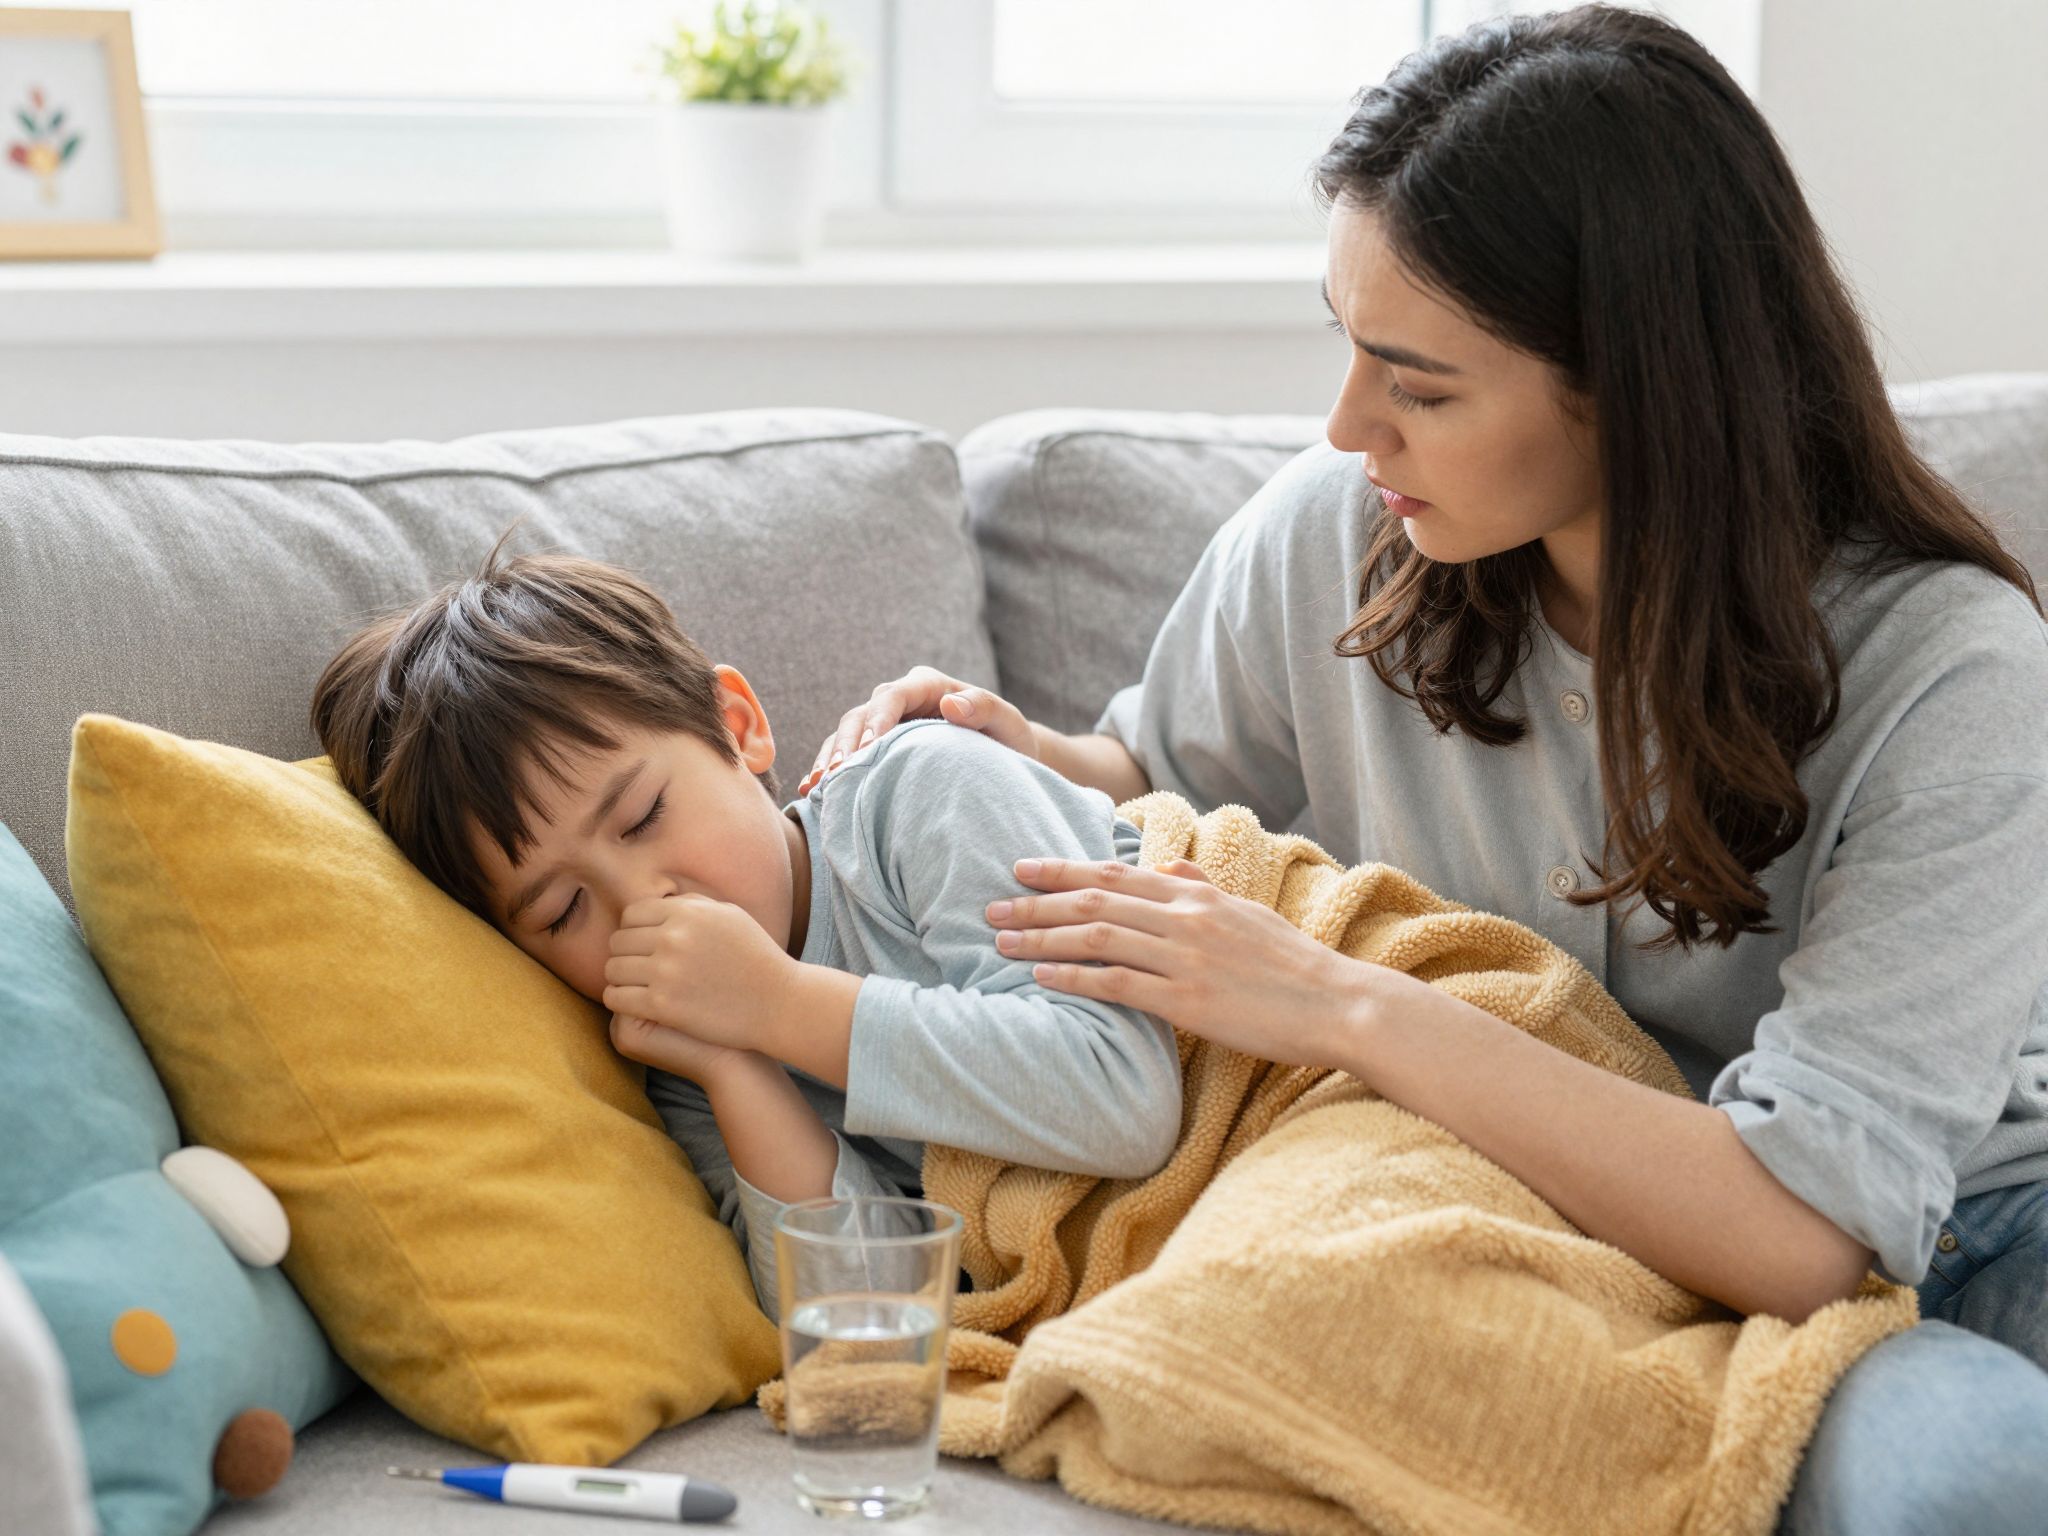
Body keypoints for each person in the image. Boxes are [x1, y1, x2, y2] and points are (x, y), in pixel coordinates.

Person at [791, 6, 2048, 1531]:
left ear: (1641, 385)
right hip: (1541, 1238)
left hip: (1951, 1234)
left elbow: (1806, 1230)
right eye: (1347, 341)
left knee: (1977, 1484)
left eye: (1423, 384)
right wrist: (1022, 755)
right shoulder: (1342, 530)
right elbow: (1165, 769)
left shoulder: (1953, 672)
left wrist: (1332, 1003)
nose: (1348, 426)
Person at [308, 538, 1181, 1319]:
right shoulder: (685, 1056)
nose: (642, 903)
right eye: (563, 910)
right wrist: (736, 1063)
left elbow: (1122, 1094)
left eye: (644, 816)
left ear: (739, 727)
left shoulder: (925, 789)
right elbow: (867, 1311)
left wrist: (780, 1003)